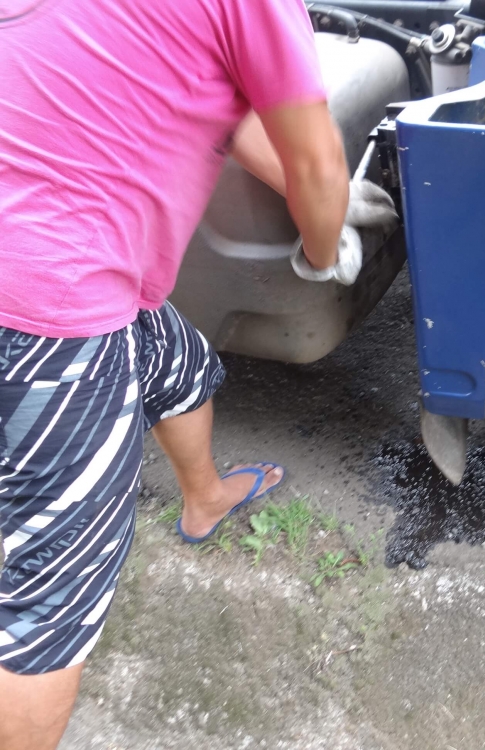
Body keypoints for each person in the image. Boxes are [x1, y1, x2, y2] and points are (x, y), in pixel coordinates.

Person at [0, 0, 393, 747]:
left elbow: (203, 96)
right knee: (47, 610)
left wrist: (318, 197)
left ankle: (205, 500)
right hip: (50, 314)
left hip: (53, 273)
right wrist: (322, 240)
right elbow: (315, 160)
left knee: (177, 364)